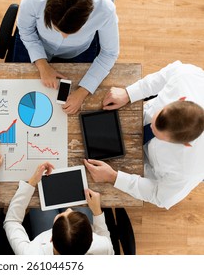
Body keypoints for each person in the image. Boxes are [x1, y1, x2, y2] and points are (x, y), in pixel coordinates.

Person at [84, 61, 204, 210]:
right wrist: (129, 93)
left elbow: (159, 195)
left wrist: (113, 177)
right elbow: (162, 77)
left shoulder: (188, 170)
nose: (151, 127)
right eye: (155, 120)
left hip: (148, 168)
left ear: (185, 144)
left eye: (158, 135)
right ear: (180, 99)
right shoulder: (186, 76)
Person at [15, 0, 119, 114]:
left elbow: (109, 53)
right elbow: (25, 30)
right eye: (57, 29)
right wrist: (42, 64)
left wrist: (82, 92)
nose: (64, 37)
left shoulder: (105, 9)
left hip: (80, 50)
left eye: (72, 32)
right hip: (36, 41)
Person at [3, 162, 114, 255]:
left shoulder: (31, 254)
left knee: (40, 199)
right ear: (92, 238)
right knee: (77, 193)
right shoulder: (104, 247)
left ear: (50, 239)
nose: (69, 209)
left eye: (61, 217)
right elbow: (104, 238)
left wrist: (31, 183)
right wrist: (97, 212)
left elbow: (12, 221)